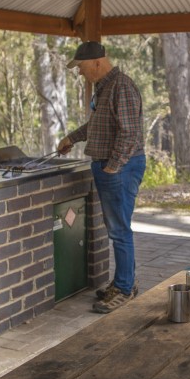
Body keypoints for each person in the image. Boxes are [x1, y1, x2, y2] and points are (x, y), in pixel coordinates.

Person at [58, 41, 146, 314]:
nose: (80, 73)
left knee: (120, 231)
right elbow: (98, 125)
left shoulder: (122, 86)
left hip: (120, 167)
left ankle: (124, 287)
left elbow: (129, 133)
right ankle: (123, 282)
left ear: (97, 62)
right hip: (111, 166)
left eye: (82, 67)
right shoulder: (104, 88)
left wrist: (113, 166)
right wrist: (71, 138)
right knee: (118, 229)